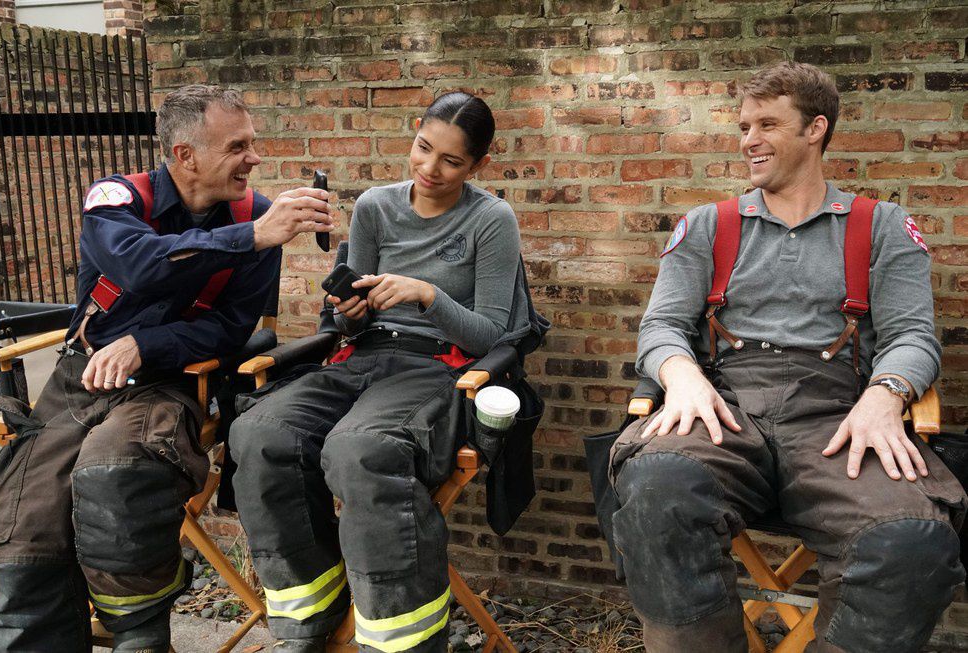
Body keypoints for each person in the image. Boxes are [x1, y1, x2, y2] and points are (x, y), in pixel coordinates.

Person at [608, 62, 966, 652]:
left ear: (815, 129)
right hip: (722, 409)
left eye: (767, 125)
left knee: (909, 539)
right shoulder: (707, 225)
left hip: (838, 418)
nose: (748, 140)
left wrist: (886, 396)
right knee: (657, 488)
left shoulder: (883, 226)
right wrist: (682, 377)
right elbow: (662, 325)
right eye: (744, 127)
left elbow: (913, 336)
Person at [0, 84, 333, 652]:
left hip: (171, 384)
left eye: (251, 142)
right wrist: (249, 238)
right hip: (81, 377)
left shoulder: (256, 214)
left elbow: (230, 328)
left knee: (116, 477)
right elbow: (139, 265)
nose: (254, 158)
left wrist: (145, 345)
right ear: (185, 155)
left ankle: (141, 641)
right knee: (26, 520)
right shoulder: (116, 200)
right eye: (237, 146)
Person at [229, 92, 525, 653]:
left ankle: (402, 642)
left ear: (479, 164)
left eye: (452, 161)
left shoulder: (491, 219)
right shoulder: (375, 207)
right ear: (414, 132)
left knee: (361, 450)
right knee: (259, 434)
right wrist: (349, 311)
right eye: (423, 147)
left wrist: (427, 295)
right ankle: (309, 619)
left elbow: (494, 334)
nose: (430, 168)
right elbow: (346, 322)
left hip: (436, 367)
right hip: (362, 357)